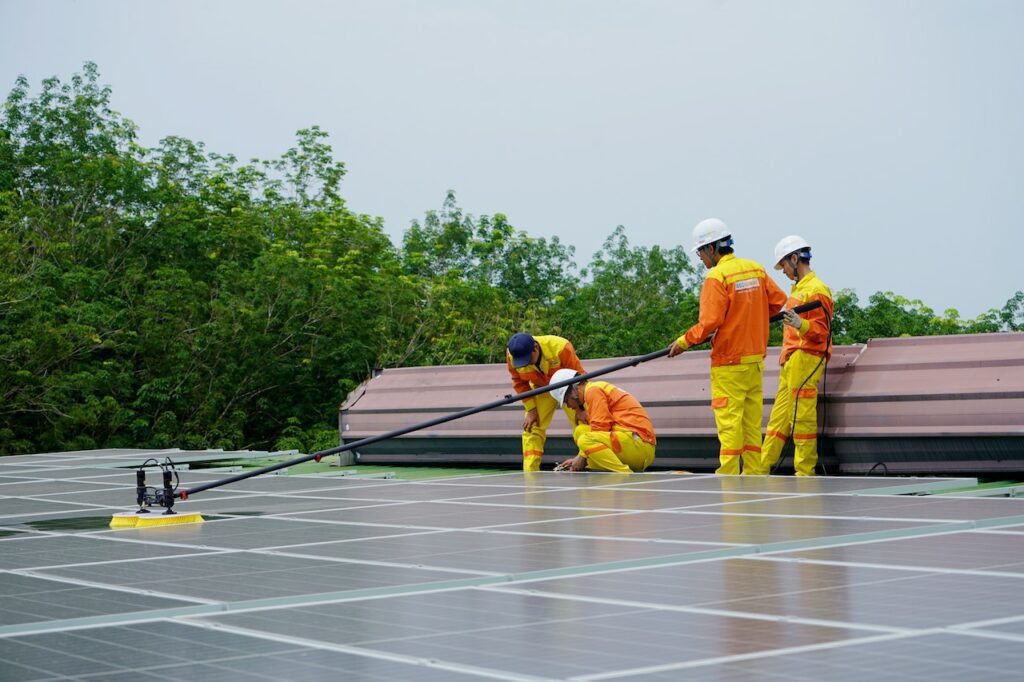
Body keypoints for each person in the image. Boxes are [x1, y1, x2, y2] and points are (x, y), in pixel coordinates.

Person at [667, 218, 787, 475]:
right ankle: (754, 476)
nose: (700, 258)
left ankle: (729, 480)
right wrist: (748, 319)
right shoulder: (755, 269)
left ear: (711, 249)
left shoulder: (717, 276)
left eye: (700, 252)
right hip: (754, 362)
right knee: (751, 425)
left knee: (730, 425)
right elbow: (778, 303)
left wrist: (683, 342)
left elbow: (710, 321)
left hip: (728, 364)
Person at [752, 235, 833, 476]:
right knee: (779, 420)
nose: (784, 272)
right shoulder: (799, 291)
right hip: (792, 360)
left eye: (784, 266)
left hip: (807, 358)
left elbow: (822, 333)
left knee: (802, 418)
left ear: (795, 259)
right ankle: (760, 468)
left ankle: (804, 473)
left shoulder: (818, 290)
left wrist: (801, 324)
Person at [549, 368, 656, 473]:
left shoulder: (593, 391)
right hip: (634, 444)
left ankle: (624, 474)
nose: (569, 406)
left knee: (585, 439)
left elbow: (601, 428)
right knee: (580, 431)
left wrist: (581, 456)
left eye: (566, 400)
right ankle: (597, 467)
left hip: (640, 446)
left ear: (573, 390)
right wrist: (577, 460)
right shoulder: (594, 389)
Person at [506, 333, 586, 471]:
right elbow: (519, 382)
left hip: (568, 390)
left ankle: (586, 460)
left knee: (583, 421)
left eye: (528, 358)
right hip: (540, 389)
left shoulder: (561, 347)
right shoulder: (512, 355)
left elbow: (579, 379)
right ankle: (530, 472)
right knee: (531, 427)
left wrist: (579, 408)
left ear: (535, 347)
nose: (527, 363)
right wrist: (531, 410)